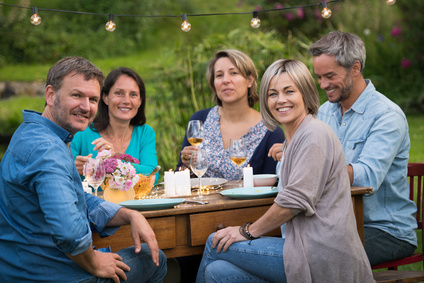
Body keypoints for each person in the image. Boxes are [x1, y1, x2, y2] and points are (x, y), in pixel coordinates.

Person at [196, 59, 374, 283]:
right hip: (300, 246)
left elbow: (294, 202)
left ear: (305, 94)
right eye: (272, 94)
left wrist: (247, 231)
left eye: (289, 91)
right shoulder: (294, 139)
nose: (280, 100)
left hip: (321, 256)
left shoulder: (314, 134)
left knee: (215, 242)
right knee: (218, 272)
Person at [0, 56, 166, 282]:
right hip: (50, 273)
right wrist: (95, 262)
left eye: (93, 99)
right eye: (76, 95)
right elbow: (70, 234)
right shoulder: (48, 150)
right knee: (153, 258)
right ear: (50, 95)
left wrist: (128, 214)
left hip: (20, 265)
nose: (86, 107)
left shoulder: (34, 132)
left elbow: (77, 198)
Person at [309, 31, 417, 265]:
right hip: (335, 223)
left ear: (355, 68)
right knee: (288, 247)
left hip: (386, 230)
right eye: (319, 77)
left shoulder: (386, 116)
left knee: (315, 258)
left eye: (329, 76)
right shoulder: (325, 112)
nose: (323, 85)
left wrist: (311, 166)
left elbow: (367, 177)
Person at [177, 49, 285, 179]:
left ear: (250, 80)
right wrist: (185, 165)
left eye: (233, 73)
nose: (225, 80)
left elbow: (272, 187)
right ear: (213, 83)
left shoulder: (270, 132)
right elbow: (181, 175)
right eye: (219, 75)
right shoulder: (200, 120)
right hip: (200, 199)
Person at [71, 67, 159, 184]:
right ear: (105, 97)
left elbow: (153, 174)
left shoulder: (145, 133)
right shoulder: (81, 132)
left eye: (133, 95)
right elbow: (61, 173)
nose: (126, 100)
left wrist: (114, 162)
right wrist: (73, 167)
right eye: (119, 93)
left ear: (140, 101)